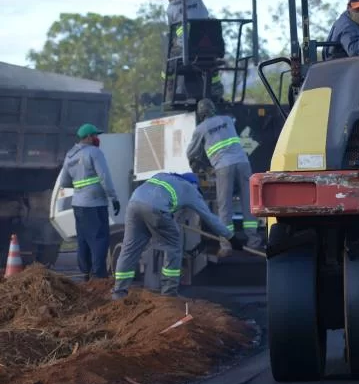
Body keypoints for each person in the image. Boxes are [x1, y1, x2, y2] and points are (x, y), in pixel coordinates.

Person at [111, 172, 234, 300]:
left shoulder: (163, 177)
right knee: (173, 246)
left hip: (134, 204)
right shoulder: (190, 189)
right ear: (194, 184)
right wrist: (230, 236)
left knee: (129, 249)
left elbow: (161, 198)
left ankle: (119, 292)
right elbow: (210, 218)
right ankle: (169, 292)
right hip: (155, 208)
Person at [185, 98, 262, 249]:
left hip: (223, 167)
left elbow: (191, 153)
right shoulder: (227, 119)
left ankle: (226, 245)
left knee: (225, 207)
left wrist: (200, 165)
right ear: (213, 109)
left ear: (201, 114)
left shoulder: (201, 129)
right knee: (249, 202)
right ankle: (254, 241)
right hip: (243, 163)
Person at [56, 123, 120, 281]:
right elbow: (104, 177)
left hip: (78, 204)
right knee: (99, 238)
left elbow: (64, 182)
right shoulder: (94, 152)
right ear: (90, 137)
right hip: (95, 203)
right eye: (96, 135)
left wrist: (80, 185)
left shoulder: (70, 155)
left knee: (83, 238)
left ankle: (85, 272)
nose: (97, 138)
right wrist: (114, 197)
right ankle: (99, 275)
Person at [161, 0, 223, 102]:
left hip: (187, 50)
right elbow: (206, 17)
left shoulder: (171, 8)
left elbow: (172, 31)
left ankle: (169, 90)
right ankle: (216, 88)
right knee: (211, 62)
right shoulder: (198, 0)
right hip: (209, 47)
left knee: (168, 62)